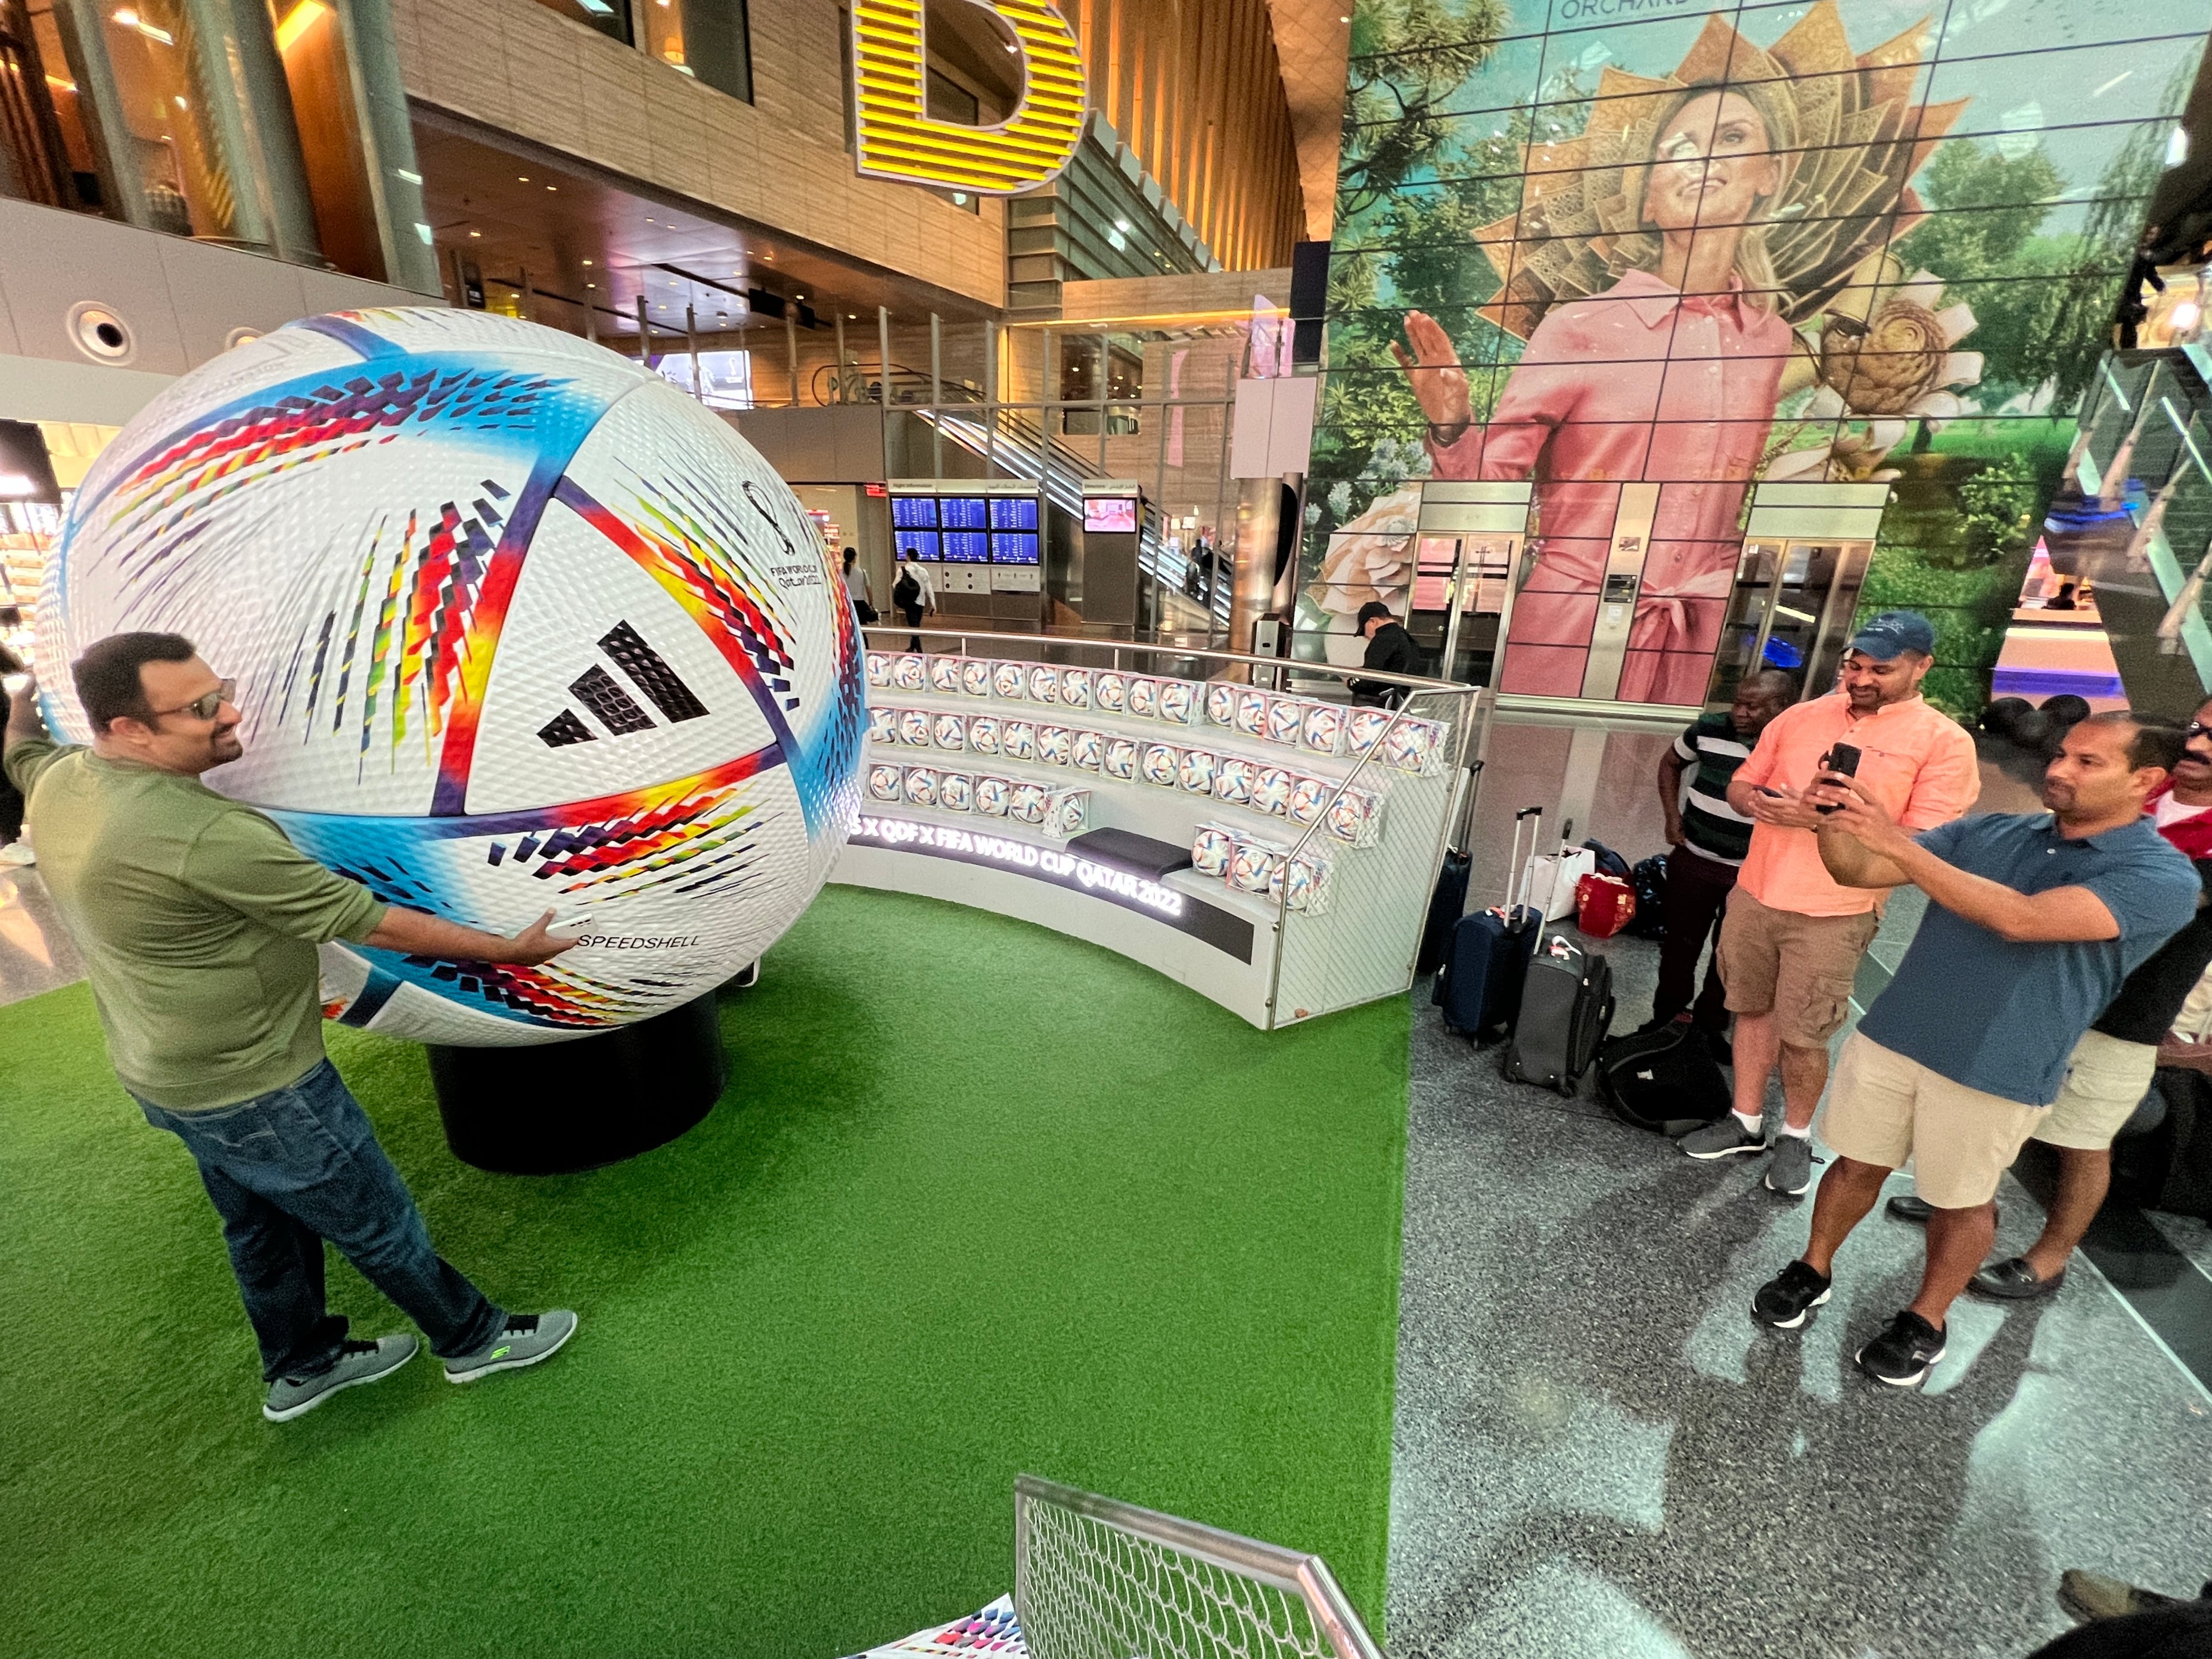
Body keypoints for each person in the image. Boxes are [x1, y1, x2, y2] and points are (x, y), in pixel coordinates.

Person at [2, 634, 582, 1422]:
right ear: (128, 729)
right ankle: (472, 1341)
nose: (229, 712)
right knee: (375, 1221)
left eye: (222, 689)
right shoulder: (198, 833)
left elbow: (20, 753)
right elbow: (367, 920)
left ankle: (302, 1365)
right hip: (259, 1086)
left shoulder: (65, 779)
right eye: (201, 707)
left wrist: (19, 708)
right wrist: (508, 950)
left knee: (261, 1225)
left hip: (166, 1076)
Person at [1748, 713, 2198, 1387]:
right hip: (1900, 1033)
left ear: (2146, 781)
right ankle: (1812, 1267)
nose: (2058, 769)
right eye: (2062, 754)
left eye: (2087, 762)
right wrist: (1834, 824)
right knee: (1853, 1165)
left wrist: (1897, 843)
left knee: (1963, 1201)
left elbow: (2023, 920)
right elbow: (1859, 869)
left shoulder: (2161, 876)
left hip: (2001, 1062)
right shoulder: (1994, 831)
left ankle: (1926, 1318)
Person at [1395, 83, 1798, 704]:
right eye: (1680, 149)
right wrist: (1451, 425)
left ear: (1768, 174)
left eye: (1732, 138)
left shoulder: (1770, 341)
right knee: (1532, 789)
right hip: (1570, 629)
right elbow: (1492, 491)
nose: (1703, 162)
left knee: (1660, 792)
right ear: (1648, 195)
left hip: (1699, 635)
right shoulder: (1579, 328)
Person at [1887, 698, 2212, 1297]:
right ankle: (1962, 1202)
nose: (2199, 745)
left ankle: (2050, 1256)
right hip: (2034, 993)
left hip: (2125, 1014)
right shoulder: (2126, 807)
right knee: (1993, 1113)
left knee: (2081, 1140)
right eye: (2197, 728)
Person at [1676, 613, 1979, 1198]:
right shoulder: (1800, 716)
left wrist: (1823, 821)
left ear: (1922, 667)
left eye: (1880, 670)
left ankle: (1795, 1132)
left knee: (1805, 1031)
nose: (1861, 680)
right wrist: (1759, 803)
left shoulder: (1942, 743)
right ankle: (1744, 1121)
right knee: (1751, 1009)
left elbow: (1922, 844)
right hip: (1756, 891)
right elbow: (1741, 783)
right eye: (1854, 666)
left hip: (1836, 910)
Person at [1646, 669, 1797, 1044]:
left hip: (1752, 871)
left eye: (1754, 706)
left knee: (1729, 955)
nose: (1741, 713)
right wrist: (1672, 816)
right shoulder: (1708, 729)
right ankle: (1665, 1018)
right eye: (1738, 703)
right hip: (1694, 857)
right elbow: (1670, 763)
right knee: (1679, 945)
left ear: (1781, 707)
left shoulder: (1795, 742)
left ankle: (1710, 1026)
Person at [1346, 600, 1418, 704]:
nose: (1367, 637)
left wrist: (1351, 681)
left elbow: (1370, 676)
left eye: (1364, 631)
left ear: (1373, 621)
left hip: (1377, 701)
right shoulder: (1408, 639)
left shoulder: (1383, 638)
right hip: (1397, 700)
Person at [893, 551, 934, 650]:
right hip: (921, 602)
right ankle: (912, 647)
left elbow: (894, 585)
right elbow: (929, 588)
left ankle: (919, 650)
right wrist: (933, 604)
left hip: (909, 602)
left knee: (914, 626)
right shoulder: (923, 571)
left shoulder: (902, 570)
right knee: (916, 624)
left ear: (908, 557)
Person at [841, 546, 877, 625]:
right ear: (855, 557)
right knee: (861, 627)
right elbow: (868, 590)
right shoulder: (862, 572)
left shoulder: (840, 573)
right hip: (860, 604)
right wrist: (871, 604)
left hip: (846, 603)